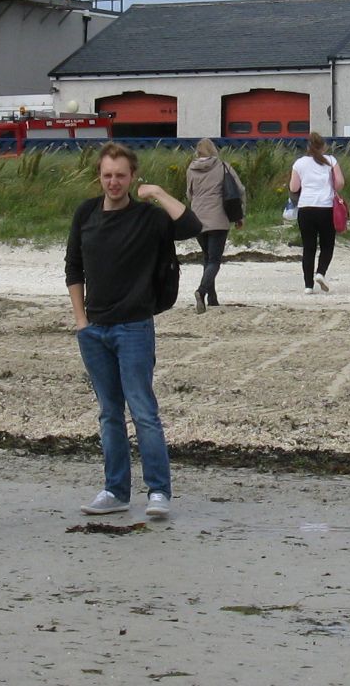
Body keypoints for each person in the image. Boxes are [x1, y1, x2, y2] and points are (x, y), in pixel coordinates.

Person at [66, 143, 201, 519]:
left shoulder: (148, 218)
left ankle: (159, 492)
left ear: (132, 177)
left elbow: (191, 226)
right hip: (94, 330)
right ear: (100, 176)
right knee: (110, 413)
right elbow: (73, 268)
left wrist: (157, 193)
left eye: (121, 175)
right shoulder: (86, 214)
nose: (114, 182)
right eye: (108, 175)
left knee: (143, 411)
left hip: (135, 328)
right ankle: (115, 490)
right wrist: (81, 322)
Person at [184, 138, 243, 313]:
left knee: (207, 258)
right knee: (215, 260)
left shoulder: (191, 169)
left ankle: (213, 298)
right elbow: (239, 189)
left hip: (197, 219)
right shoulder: (223, 166)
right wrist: (240, 214)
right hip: (218, 218)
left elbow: (189, 194)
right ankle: (201, 292)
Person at [288, 131, 344, 294]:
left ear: (308, 146)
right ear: (323, 146)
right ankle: (320, 272)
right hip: (326, 208)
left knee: (308, 247)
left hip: (306, 208)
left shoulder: (299, 163)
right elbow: (340, 182)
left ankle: (308, 286)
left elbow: (293, 188)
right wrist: (332, 188)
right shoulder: (331, 161)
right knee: (327, 245)